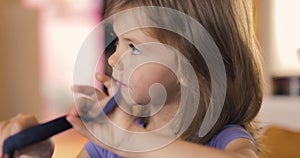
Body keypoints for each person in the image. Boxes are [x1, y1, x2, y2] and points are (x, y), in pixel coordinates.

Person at [0, 0, 263, 157]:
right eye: (117, 43)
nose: (113, 59)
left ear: (190, 64)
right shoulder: (107, 145)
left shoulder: (222, 140)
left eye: (133, 47)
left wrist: (130, 141)